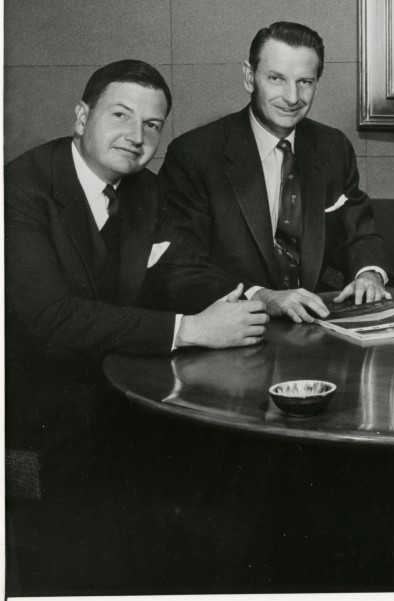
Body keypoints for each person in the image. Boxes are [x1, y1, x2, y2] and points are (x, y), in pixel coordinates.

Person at [4, 59, 268, 592]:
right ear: (82, 116)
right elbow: (50, 320)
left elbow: (180, 270)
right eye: (120, 115)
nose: (136, 136)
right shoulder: (20, 190)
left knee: (231, 469)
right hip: (36, 406)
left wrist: (255, 298)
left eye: (152, 124)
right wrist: (189, 330)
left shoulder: (145, 189)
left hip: (122, 390)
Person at [157, 21, 391, 321]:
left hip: (313, 325)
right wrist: (261, 297)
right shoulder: (193, 154)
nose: (292, 97)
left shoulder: (333, 147)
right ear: (249, 77)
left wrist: (369, 274)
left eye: (305, 82)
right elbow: (181, 266)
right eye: (276, 78)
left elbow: (359, 234)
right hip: (231, 327)